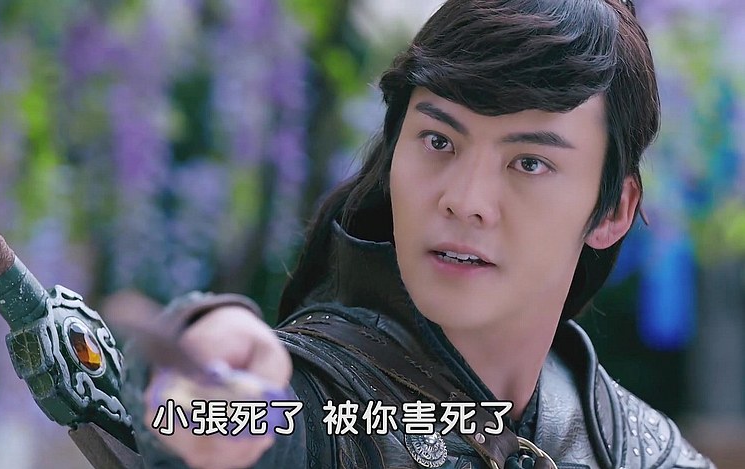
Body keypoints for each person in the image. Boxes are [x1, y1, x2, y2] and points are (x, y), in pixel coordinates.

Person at [119, 0, 717, 468]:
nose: (465, 200)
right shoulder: (326, 409)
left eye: (530, 163)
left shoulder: (637, 450)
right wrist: (201, 357)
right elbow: (221, 420)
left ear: (613, 211)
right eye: (438, 141)